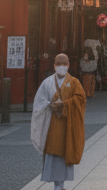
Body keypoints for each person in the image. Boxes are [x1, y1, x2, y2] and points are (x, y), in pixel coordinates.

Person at [31, 53, 86, 190]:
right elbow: (39, 101)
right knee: (54, 153)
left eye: (64, 64)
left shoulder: (74, 82)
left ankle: (61, 184)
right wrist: (50, 104)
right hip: (52, 124)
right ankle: (57, 184)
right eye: (59, 65)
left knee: (65, 152)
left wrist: (65, 104)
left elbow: (80, 99)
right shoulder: (47, 82)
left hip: (68, 125)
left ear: (68, 66)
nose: (62, 67)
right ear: (54, 66)